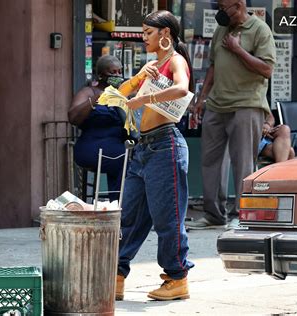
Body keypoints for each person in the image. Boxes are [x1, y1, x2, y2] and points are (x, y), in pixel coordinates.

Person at [115, 10, 194, 301]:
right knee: (128, 217)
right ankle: (116, 275)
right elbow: (121, 96)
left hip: (165, 147)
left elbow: (181, 88)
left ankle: (177, 278)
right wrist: (137, 78)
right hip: (142, 148)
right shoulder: (151, 65)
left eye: (148, 32)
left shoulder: (175, 60)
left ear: (165, 34)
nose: (143, 37)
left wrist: (144, 98)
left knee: (168, 218)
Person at [186, 0, 276, 230]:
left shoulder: (260, 30)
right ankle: (214, 214)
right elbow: (213, 66)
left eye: (223, 8)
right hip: (217, 104)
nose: (220, 13)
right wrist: (202, 97)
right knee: (210, 161)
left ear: (237, 6)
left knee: (243, 163)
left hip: (247, 104)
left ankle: (242, 215)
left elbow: (267, 69)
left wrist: (238, 50)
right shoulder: (221, 30)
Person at [67, 55, 128, 202]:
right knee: (126, 162)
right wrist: (95, 100)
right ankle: (117, 205)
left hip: (117, 146)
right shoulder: (89, 92)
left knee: (133, 159)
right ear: (101, 75)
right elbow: (73, 117)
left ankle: (121, 206)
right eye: (113, 73)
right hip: (92, 147)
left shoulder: (123, 92)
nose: (117, 76)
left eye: (120, 72)